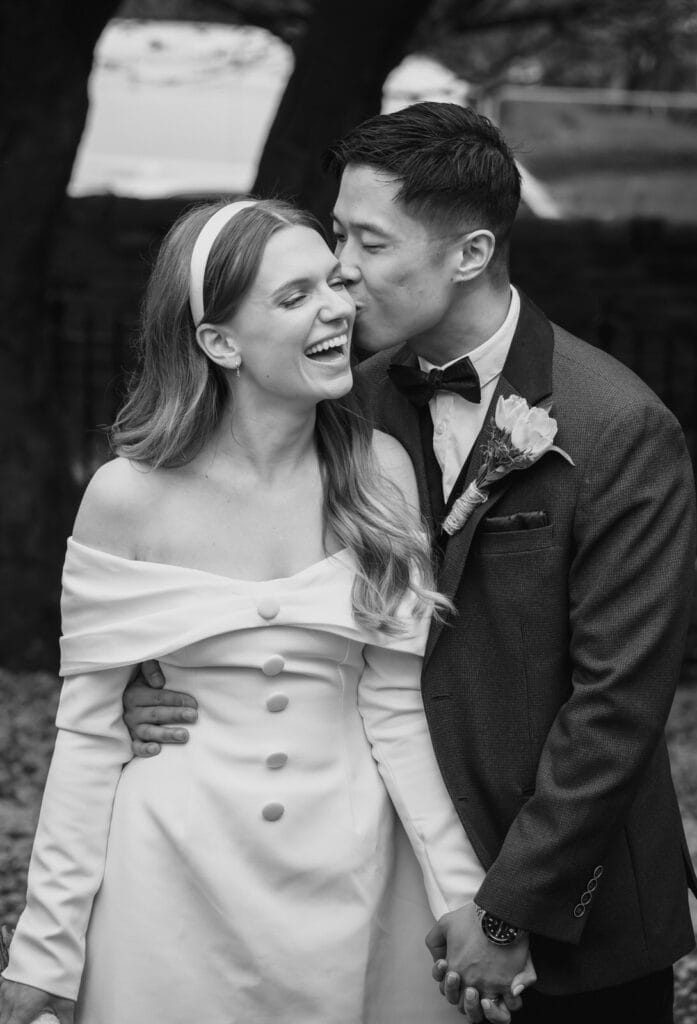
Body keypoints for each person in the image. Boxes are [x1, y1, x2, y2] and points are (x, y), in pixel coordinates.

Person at [123, 103, 697, 1024]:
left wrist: (507, 910)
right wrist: (155, 683)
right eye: (338, 232)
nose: (340, 266)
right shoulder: (339, 402)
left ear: (469, 253)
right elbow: (256, 580)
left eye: (369, 241)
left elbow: (618, 704)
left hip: (572, 910)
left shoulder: (618, 427)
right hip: (385, 895)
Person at [0, 197, 537, 1024]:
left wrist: (461, 896)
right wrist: (46, 952)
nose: (336, 307)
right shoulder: (125, 498)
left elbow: (395, 710)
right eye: (294, 296)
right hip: (169, 879)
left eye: (332, 282)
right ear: (220, 343)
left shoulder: (380, 474)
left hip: (354, 868)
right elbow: (88, 735)